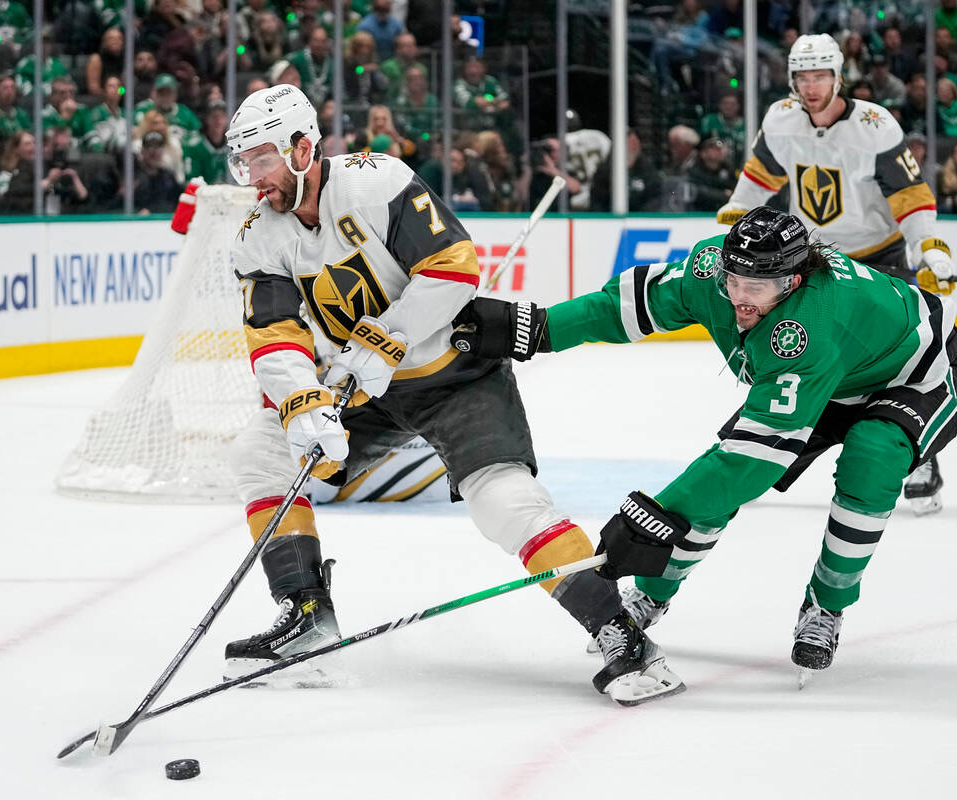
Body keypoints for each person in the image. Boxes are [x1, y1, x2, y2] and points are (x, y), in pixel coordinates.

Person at [219, 85, 683, 704]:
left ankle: (622, 636)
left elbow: (454, 266)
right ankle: (305, 617)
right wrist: (302, 401)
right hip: (364, 388)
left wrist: (387, 339)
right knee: (260, 453)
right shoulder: (258, 235)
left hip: (453, 373)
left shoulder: (376, 182)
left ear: (304, 147)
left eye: (263, 160)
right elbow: (272, 333)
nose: (253, 178)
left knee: (506, 504)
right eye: (244, 162)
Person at [453, 206, 957, 678]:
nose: (740, 296)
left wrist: (655, 511)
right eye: (734, 280)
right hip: (826, 366)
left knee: (870, 463)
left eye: (756, 288)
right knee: (708, 491)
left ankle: (826, 604)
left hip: (904, 375)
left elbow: (752, 461)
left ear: (793, 281)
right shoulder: (710, 272)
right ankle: (653, 594)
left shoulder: (810, 324)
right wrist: (540, 329)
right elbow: (625, 307)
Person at [716, 34, 955, 514]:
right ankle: (766, 440)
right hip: (815, 258)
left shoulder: (874, 124)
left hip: (877, 256)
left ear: (838, 75)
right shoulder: (781, 119)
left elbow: (908, 194)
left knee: (898, 361)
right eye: (802, 76)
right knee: (799, 347)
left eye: (820, 75)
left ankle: (915, 449)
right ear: (792, 79)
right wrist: (741, 207)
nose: (811, 85)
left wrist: (926, 246)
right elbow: (762, 172)